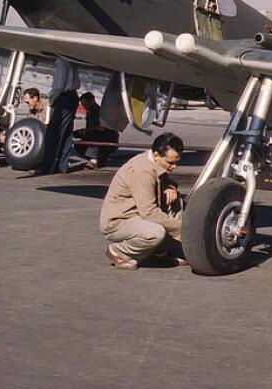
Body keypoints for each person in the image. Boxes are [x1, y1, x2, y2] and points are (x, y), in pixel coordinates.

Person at [99, 132, 189, 269]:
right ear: (156, 155)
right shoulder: (142, 171)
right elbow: (149, 213)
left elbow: (162, 180)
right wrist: (183, 228)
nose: (174, 167)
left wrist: (171, 186)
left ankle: (159, 253)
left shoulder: (154, 162)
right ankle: (119, 252)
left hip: (137, 214)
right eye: (170, 162)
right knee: (155, 233)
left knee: (177, 202)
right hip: (119, 221)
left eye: (176, 162)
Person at [36, 58, 92, 174]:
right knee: (67, 133)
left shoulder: (61, 62)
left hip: (63, 97)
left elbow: (59, 85)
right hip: (72, 96)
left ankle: (47, 166)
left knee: (54, 133)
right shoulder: (71, 60)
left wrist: (51, 98)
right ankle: (62, 165)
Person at [73, 91, 120, 166]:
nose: (85, 107)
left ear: (92, 101)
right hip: (96, 134)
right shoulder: (90, 113)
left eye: (86, 105)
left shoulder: (101, 112)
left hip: (107, 137)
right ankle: (94, 157)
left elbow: (102, 127)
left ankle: (97, 158)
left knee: (95, 140)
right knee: (79, 142)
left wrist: (86, 130)